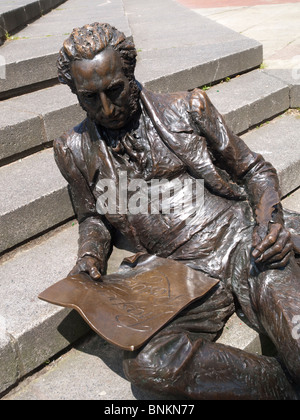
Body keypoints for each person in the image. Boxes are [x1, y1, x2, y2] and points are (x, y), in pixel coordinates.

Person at [54, 22, 300, 399]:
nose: (106, 108)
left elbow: (254, 169)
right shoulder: (73, 148)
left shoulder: (188, 107)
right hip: (175, 274)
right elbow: (92, 217)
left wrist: (271, 223)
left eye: (115, 91)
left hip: (238, 241)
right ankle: (280, 385)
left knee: (285, 310)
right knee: (148, 363)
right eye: (90, 98)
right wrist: (89, 255)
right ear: (75, 93)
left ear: (131, 75)